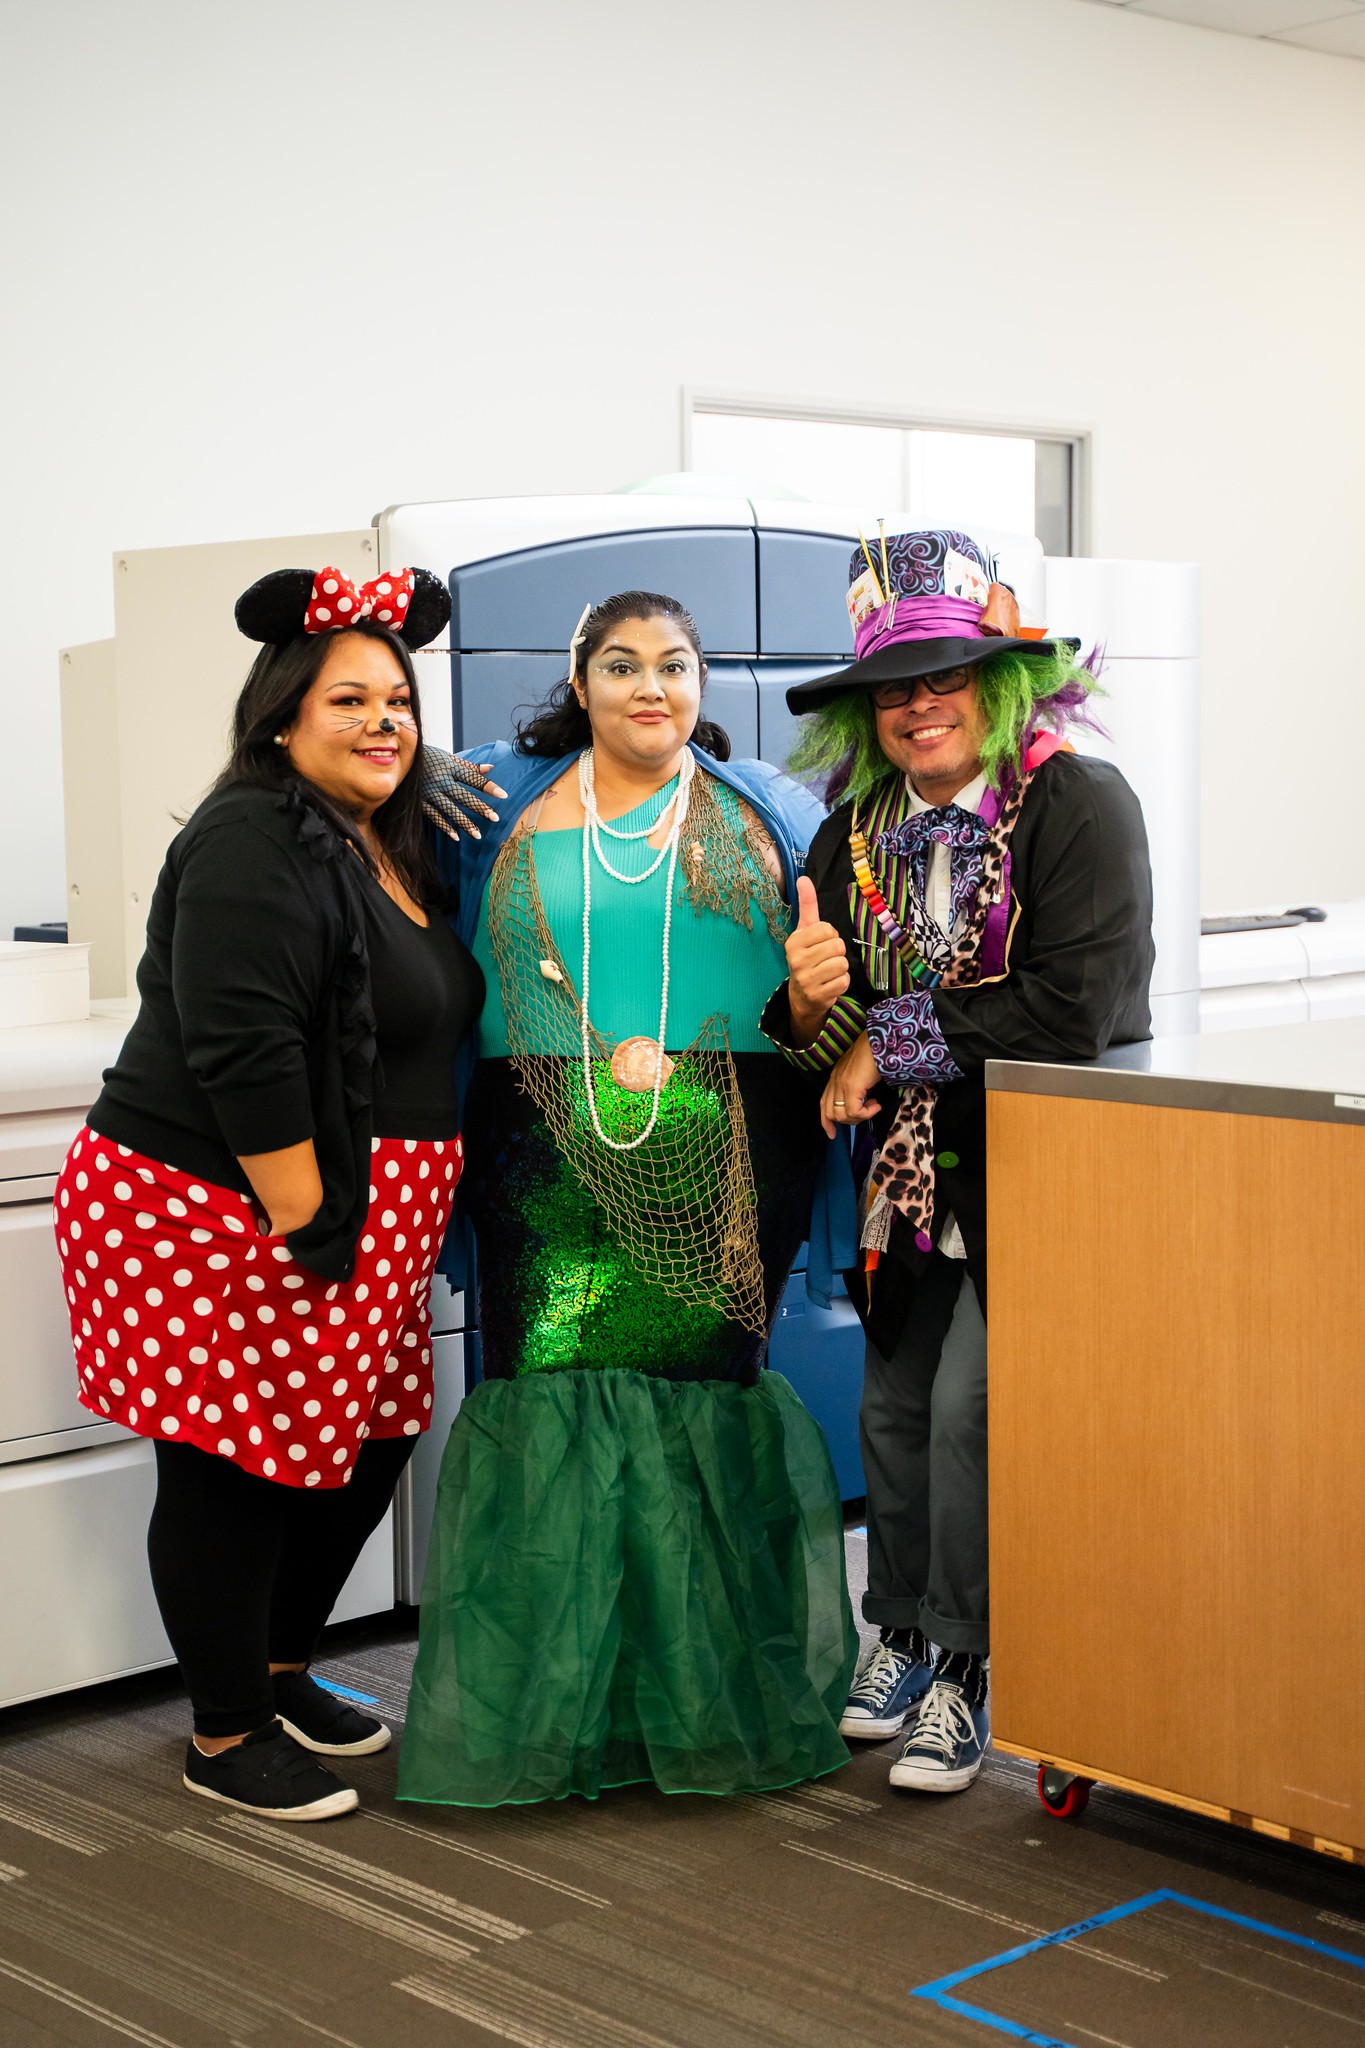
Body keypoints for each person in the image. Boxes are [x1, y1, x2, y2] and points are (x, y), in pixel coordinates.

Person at [399, 589, 859, 1808]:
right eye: (621, 664)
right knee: (547, 1404)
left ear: (702, 681)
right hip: (537, 1140)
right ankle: (557, 1714)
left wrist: (822, 1002)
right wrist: (418, 759)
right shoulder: (498, 799)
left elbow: (825, 1018)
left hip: (724, 1133)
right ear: (581, 683)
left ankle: (710, 1702)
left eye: (674, 663)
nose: (650, 685)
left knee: (704, 1404)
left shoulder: (772, 807)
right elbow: (369, 800)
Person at [53, 564, 498, 1821]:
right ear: (279, 718)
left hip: (359, 1210)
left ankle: (282, 1666)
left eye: (399, 701)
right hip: (229, 1202)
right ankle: (223, 1725)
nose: (382, 722)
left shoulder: (384, 829)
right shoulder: (252, 833)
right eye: (348, 699)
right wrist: (307, 1225)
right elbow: (241, 1049)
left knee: (370, 1437)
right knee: (230, 1466)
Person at [765, 529, 1154, 1794]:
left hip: (1047, 1164)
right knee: (888, 1408)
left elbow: (1068, 1012)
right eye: (894, 686)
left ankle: (973, 1673)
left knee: (969, 1412)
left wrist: (881, 1036)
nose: (918, 703)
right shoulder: (853, 832)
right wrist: (810, 1001)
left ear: (1000, 686)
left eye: (945, 676)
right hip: (907, 1179)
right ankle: (907, 1634)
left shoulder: (1076, 802)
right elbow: (823, 1037)